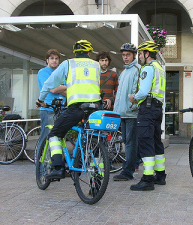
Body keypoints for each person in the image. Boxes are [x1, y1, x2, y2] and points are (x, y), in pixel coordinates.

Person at [36, 40, 102, 179]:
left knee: (54, 134)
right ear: (89, 53)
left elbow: (49, 84)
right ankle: (96, 177)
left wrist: (41, 100)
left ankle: (58, 168)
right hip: (95, 107)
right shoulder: (97, 65)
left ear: (75, 52)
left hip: (76, 107)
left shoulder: (69, 63)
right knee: (92, 138)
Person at [129, 41, 166, 191]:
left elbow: (143, 92)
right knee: (157, 142)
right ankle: (160, 175)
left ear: (147, 54)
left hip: (147, 108)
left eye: (140, 53)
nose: (139, 56)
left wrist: (134, 97)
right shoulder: (160, 69)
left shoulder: (148, 68)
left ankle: (147, 179)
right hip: (157, 109)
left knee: (146, 142)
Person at [113, 43, 140, 181]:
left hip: (131, 114)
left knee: (130, 143)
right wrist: (116, 111)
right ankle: (132, 165)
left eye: (128, 55)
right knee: (127, 141)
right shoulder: (123, 72)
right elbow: (119, 95)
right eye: (123, 55)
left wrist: (132, 108)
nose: (125, 57)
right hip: (122, 113)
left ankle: (128, 172)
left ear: (134, 55)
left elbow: (136, 92)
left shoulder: (137, 69)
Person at [37, 49, 66, 151]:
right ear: (47, 60)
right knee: (47, 137)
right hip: (48, 109)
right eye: (52, 58)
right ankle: (42, 164)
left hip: (62, 109)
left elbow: (68, 90)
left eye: (57, 58)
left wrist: (59, 88)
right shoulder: (42, 72)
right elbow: (52, 89)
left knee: (59, 139)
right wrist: (63, 87)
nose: (54, 60)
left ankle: (55, 162)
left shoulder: (62, 73)